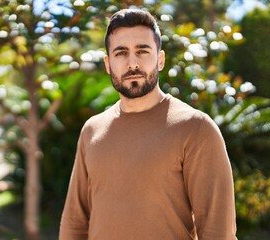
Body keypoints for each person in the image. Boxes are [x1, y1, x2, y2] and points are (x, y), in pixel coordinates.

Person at [59, 8, 237, 240]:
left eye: (142, 51)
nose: (132, 63)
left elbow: (218, 231)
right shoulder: (92, 130)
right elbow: (75, 222)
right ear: (107, 64)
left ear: (160, 59)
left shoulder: (196, 128)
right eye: (121, 53)